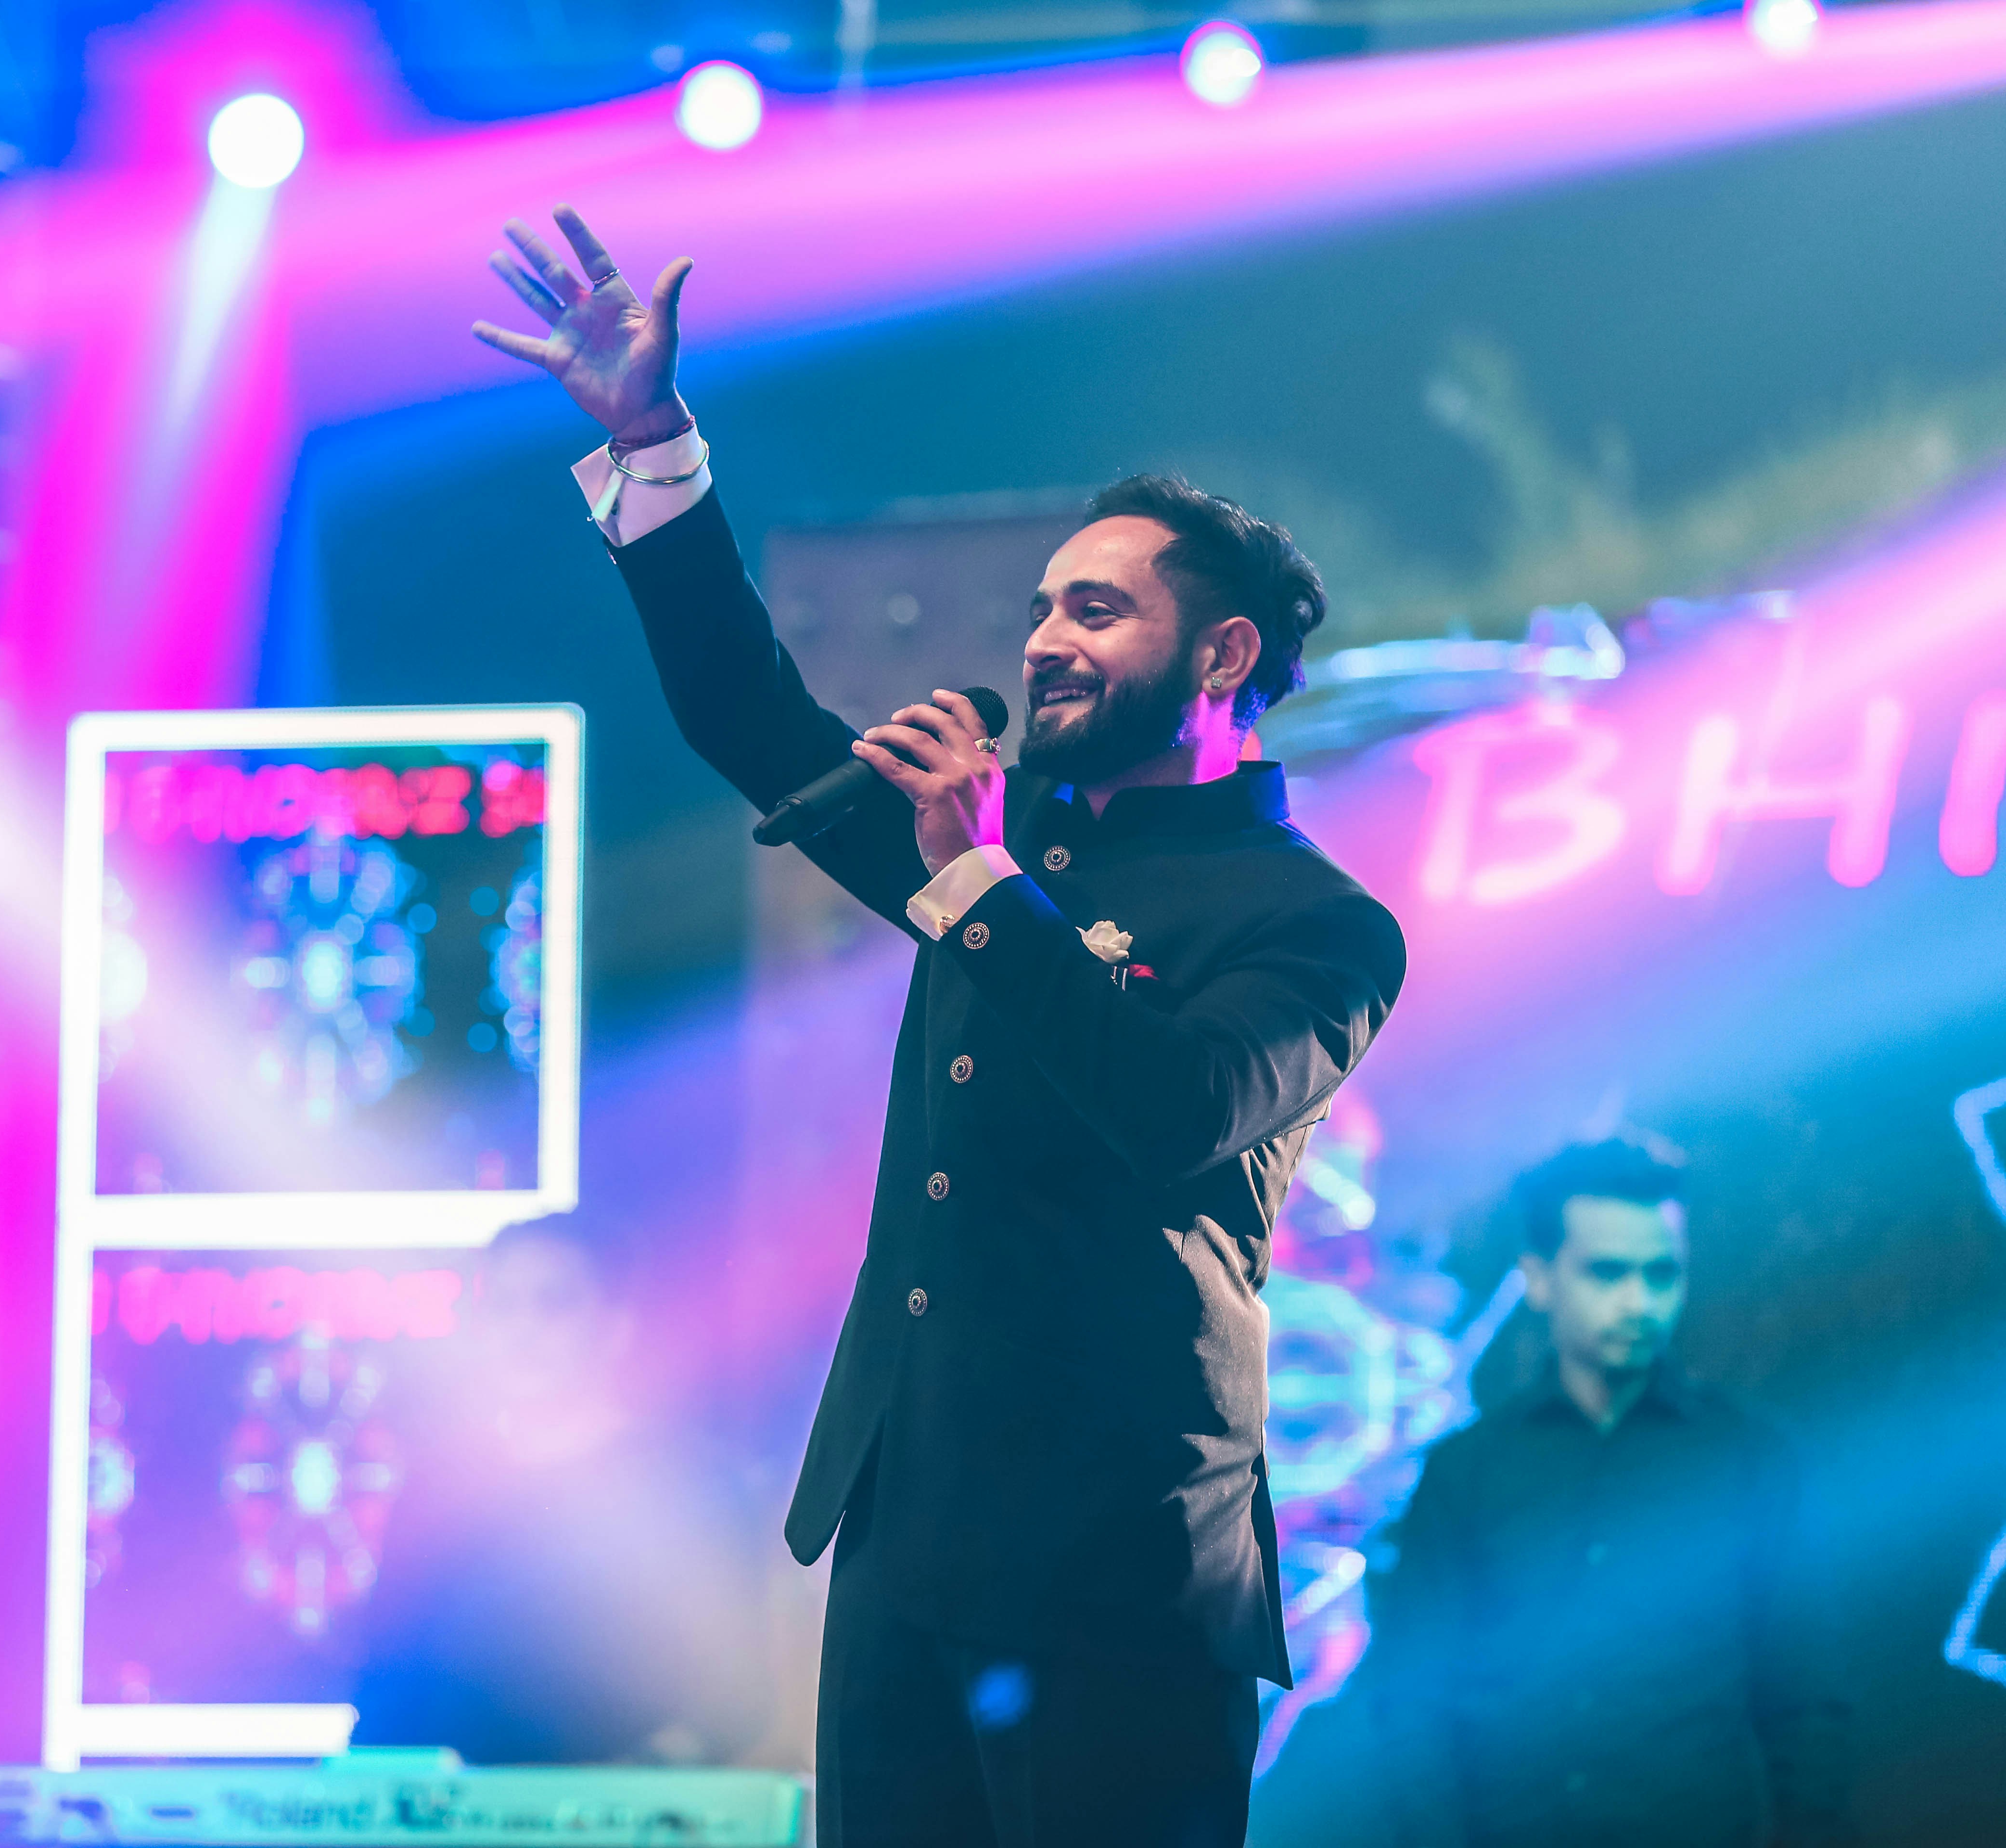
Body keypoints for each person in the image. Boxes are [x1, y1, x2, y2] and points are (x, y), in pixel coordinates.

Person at [469, 207, 1406, 1846]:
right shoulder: (1006, 845)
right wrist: (653, 444)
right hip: (910, 1537)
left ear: (1224, 652)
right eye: (1045, 605)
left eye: (1098, 612)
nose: (1043, 638)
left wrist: (976, 875)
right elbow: (751, 721)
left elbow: (1178, 1104)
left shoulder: (1316, 922)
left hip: (1123, 1571)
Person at [1361, 1138, 1855, 1848]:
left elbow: (1806, 1697)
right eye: (1607, 1272)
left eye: (1662, 1273)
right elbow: (1412, 1709)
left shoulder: (1750, 1458)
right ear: (1538, 1277)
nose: (1640, 1301)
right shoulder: (1465, 1473)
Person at [354, 1221, 774, 1764]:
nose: (523, 1329)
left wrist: (636, 1786)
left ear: (614, 1327)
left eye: (552, 1304)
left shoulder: (693, 1487)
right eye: (503, 1306)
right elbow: (387, 1692)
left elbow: (735, 1700)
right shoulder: (435, 1496)